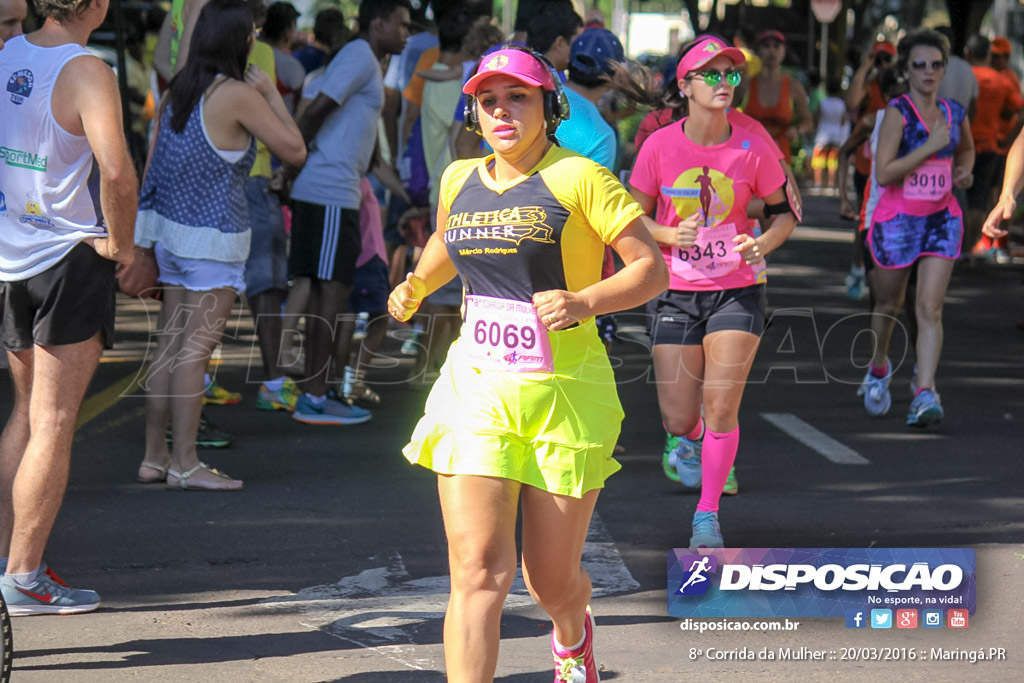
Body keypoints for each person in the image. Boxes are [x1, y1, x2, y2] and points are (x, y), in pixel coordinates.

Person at [388, 45, 668, 682]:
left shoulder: (581, 178)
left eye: (518, 96)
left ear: (550, 105)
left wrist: (582, 301)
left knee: (549, 582)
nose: (502, 111)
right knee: (479, 572)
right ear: (474, 115)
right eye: (488, 101)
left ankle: (572, 633)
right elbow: (447, 240)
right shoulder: (459, 179)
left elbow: (650, 270)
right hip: (477, 389)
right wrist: (416, 285)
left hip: (564, 394)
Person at [629, 35, 797, 547]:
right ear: (685, 85)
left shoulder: (753, 140)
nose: (726, 84)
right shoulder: (659, 145)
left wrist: (761, 243)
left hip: (737, 290)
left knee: (721, 406)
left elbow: (784, 211)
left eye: (731, 75)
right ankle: (700, 444)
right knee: (679, 418)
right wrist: (663, 234)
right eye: (713, 75)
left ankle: (707, 514)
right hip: (676, 288)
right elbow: (629, 215)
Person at [0, 0, 137, 615]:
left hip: (12, 257)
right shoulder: (87, 70)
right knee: (52, 421)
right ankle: (23, 576)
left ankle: (9, 560)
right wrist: (124, 246)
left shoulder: (9, 53)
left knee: (29, 412)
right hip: (67, 258)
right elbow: (118, 174)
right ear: (97, 5)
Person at [134, 0, 306, 490]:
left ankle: (155, 456)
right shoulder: (236, 95)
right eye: (252, 32)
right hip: (214, 242)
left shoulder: (177, 93)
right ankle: (187, 465)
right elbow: (295, 150)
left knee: (169, 347)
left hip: (168, 237)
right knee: (195, 353)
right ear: (240, 40)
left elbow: (153, 169)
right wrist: (271, 94)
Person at [287, 0, 410, 426]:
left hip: (338, 193)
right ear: (378, 24)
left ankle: (320, 395)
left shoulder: (368, 62)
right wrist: (290, 166)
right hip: (328, 191)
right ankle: (314, 399)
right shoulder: (358, 55)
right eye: (402, 24)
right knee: (328, 296)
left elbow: (370, 151)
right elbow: (316, 109)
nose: (407, 33)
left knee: (334, 297)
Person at [860, 29, 974, 428]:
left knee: (929, 307)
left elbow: (966, 148)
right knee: (888, 305)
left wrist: (965, 171)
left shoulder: (955, 112)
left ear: (944, 70)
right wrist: (928, 148)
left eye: (936, 65)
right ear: (906, 71)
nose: (929, 72)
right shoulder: (898, 112)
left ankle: (925, 390)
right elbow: (885, 172)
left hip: (942, 220)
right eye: (920, 65)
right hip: (898, 222)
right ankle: (878, 368)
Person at [964, 34, 1022, 262]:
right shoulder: (1003, 81)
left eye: (1000, 56)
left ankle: (980, 246)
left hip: (979, 146)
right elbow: (1018, 111)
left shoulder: (971, 76)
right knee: (983, 198)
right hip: (991, 146)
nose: (996, 60)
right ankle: (978, 246)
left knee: (975, 198)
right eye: (994, 56)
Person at [742, 30, 813, 165]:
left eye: (776, 46)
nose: (771, 51)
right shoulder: (745, 85)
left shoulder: (793, 86)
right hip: (749, 158)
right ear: (759, 51)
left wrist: (797, 130)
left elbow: (808, 122)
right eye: (766, 46)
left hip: (781, 160)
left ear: (784, 51)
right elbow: (726, 115)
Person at [262, 2, 304, 114]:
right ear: (287, 30)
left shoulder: (249, 53)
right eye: (295, 26)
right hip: (280, 126)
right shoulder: (290, 64)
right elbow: (302, 104)